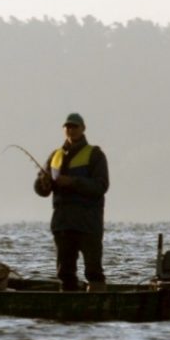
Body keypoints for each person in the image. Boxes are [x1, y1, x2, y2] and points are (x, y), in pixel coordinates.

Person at [34, 113, 109, 292]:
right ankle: (70, 305)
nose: (71, 130)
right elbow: (40, 188)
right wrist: (43, 184)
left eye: (75, 126)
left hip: (88, 224)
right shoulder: (55, 155)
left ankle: (98, 305)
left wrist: (73, 182)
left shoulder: (95, 154)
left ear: (83, 129)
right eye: (68, 127)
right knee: (65, 272)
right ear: (64, 130)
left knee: (93, 270)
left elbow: (101, 186)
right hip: (63, 224)